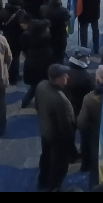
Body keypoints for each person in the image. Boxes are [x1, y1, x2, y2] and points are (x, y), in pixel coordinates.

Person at [35, 64, 76, 192]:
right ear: (56, 79)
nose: (67, 77)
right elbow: (66, 127)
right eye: (64, 76)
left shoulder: (41, 85)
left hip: (45, 130)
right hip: (57, 138)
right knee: (58, 165)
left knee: (45, 158)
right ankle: (54, 187)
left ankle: (42, 182)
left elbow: (37, 106)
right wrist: (71, 148)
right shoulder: (61, 100)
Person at [20, 17, 54, 108]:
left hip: (31, 62)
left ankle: (25, 101)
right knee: (38, 86)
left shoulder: (27, 35)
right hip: (42, 64)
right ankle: (37, 104)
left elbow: (24, 49)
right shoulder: (46, 38)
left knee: (34, 85)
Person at [41, 0, 70, 64]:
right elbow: (67, 22)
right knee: (60, 59)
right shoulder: (64, 11)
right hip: (60, 38)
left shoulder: (43, 8)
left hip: (47, 37)